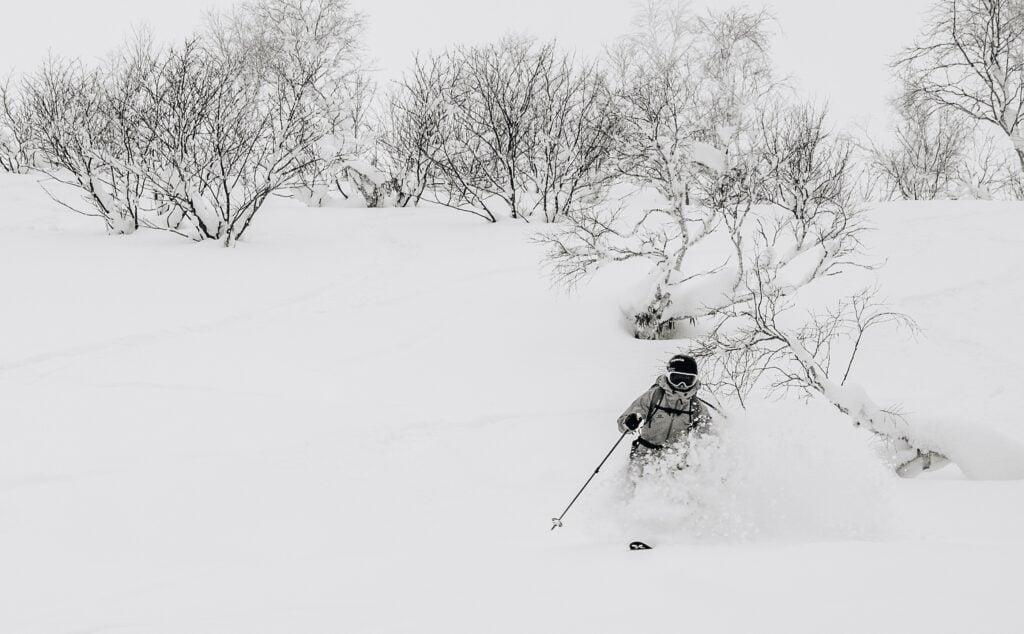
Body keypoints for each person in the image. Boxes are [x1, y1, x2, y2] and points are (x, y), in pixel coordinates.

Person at [617, 354, 713, 475]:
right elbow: (623, 421)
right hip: (644, 458)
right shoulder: (654, 396)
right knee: (640, 491)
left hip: (674, 463)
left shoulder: (695, 405)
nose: (681, 385)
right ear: (668, 377)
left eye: (688, 380)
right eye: (677, 379)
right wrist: (629, 422)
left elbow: (708, 436)